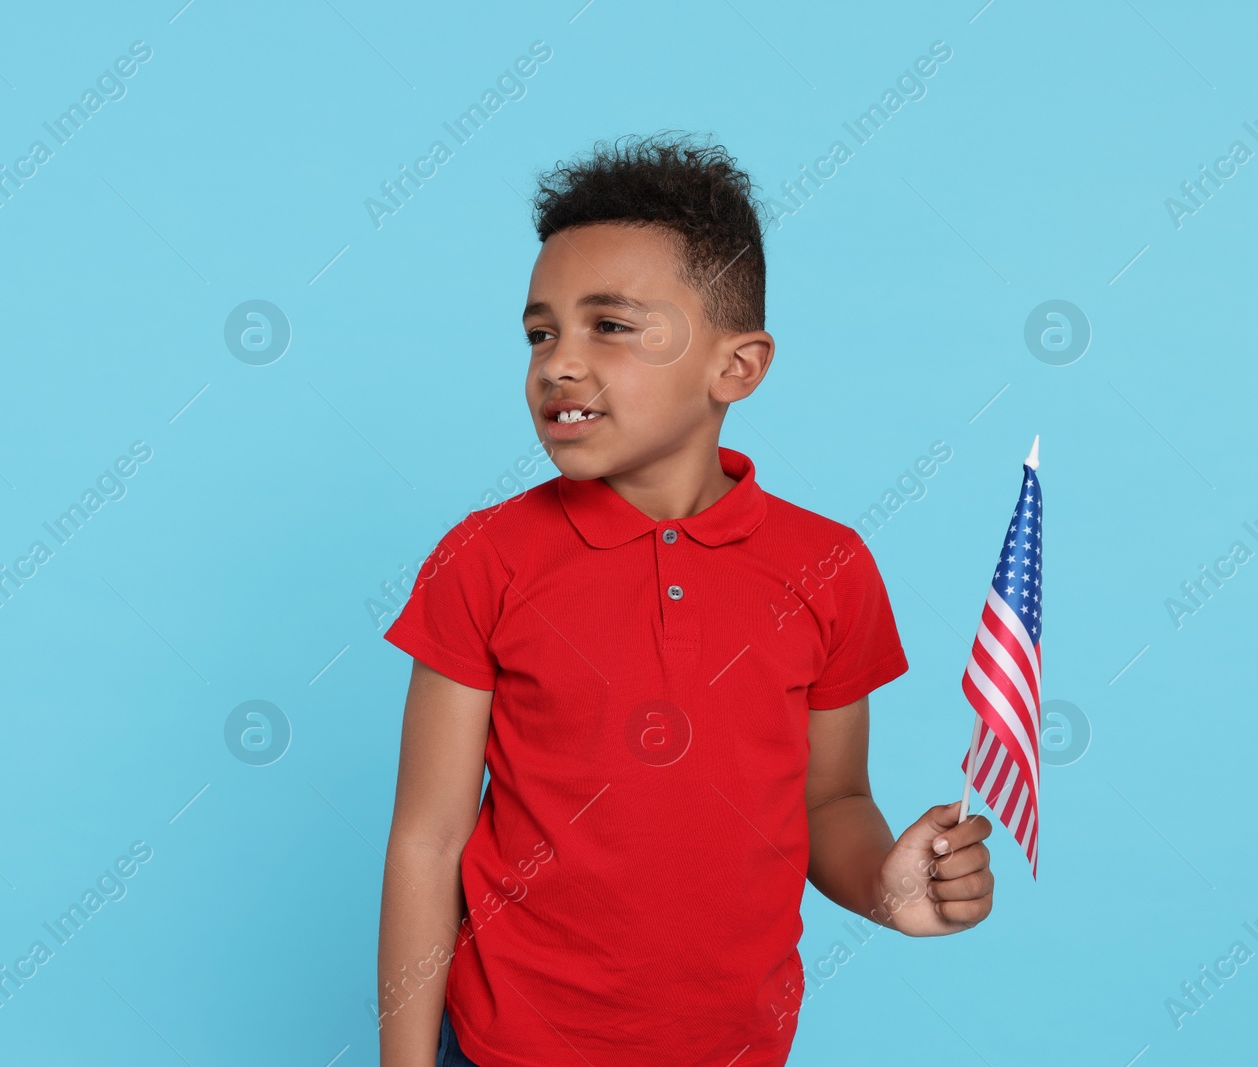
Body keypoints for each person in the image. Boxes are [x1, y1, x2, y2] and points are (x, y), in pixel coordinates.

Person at [376, 132, 995, 1067]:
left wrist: (884, 883)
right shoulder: (486, 558)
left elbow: (830, 799)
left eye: (610, 326)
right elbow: (428, 839)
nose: (558, 364)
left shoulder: (828, 564)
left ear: (736, 368)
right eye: (541, 332)